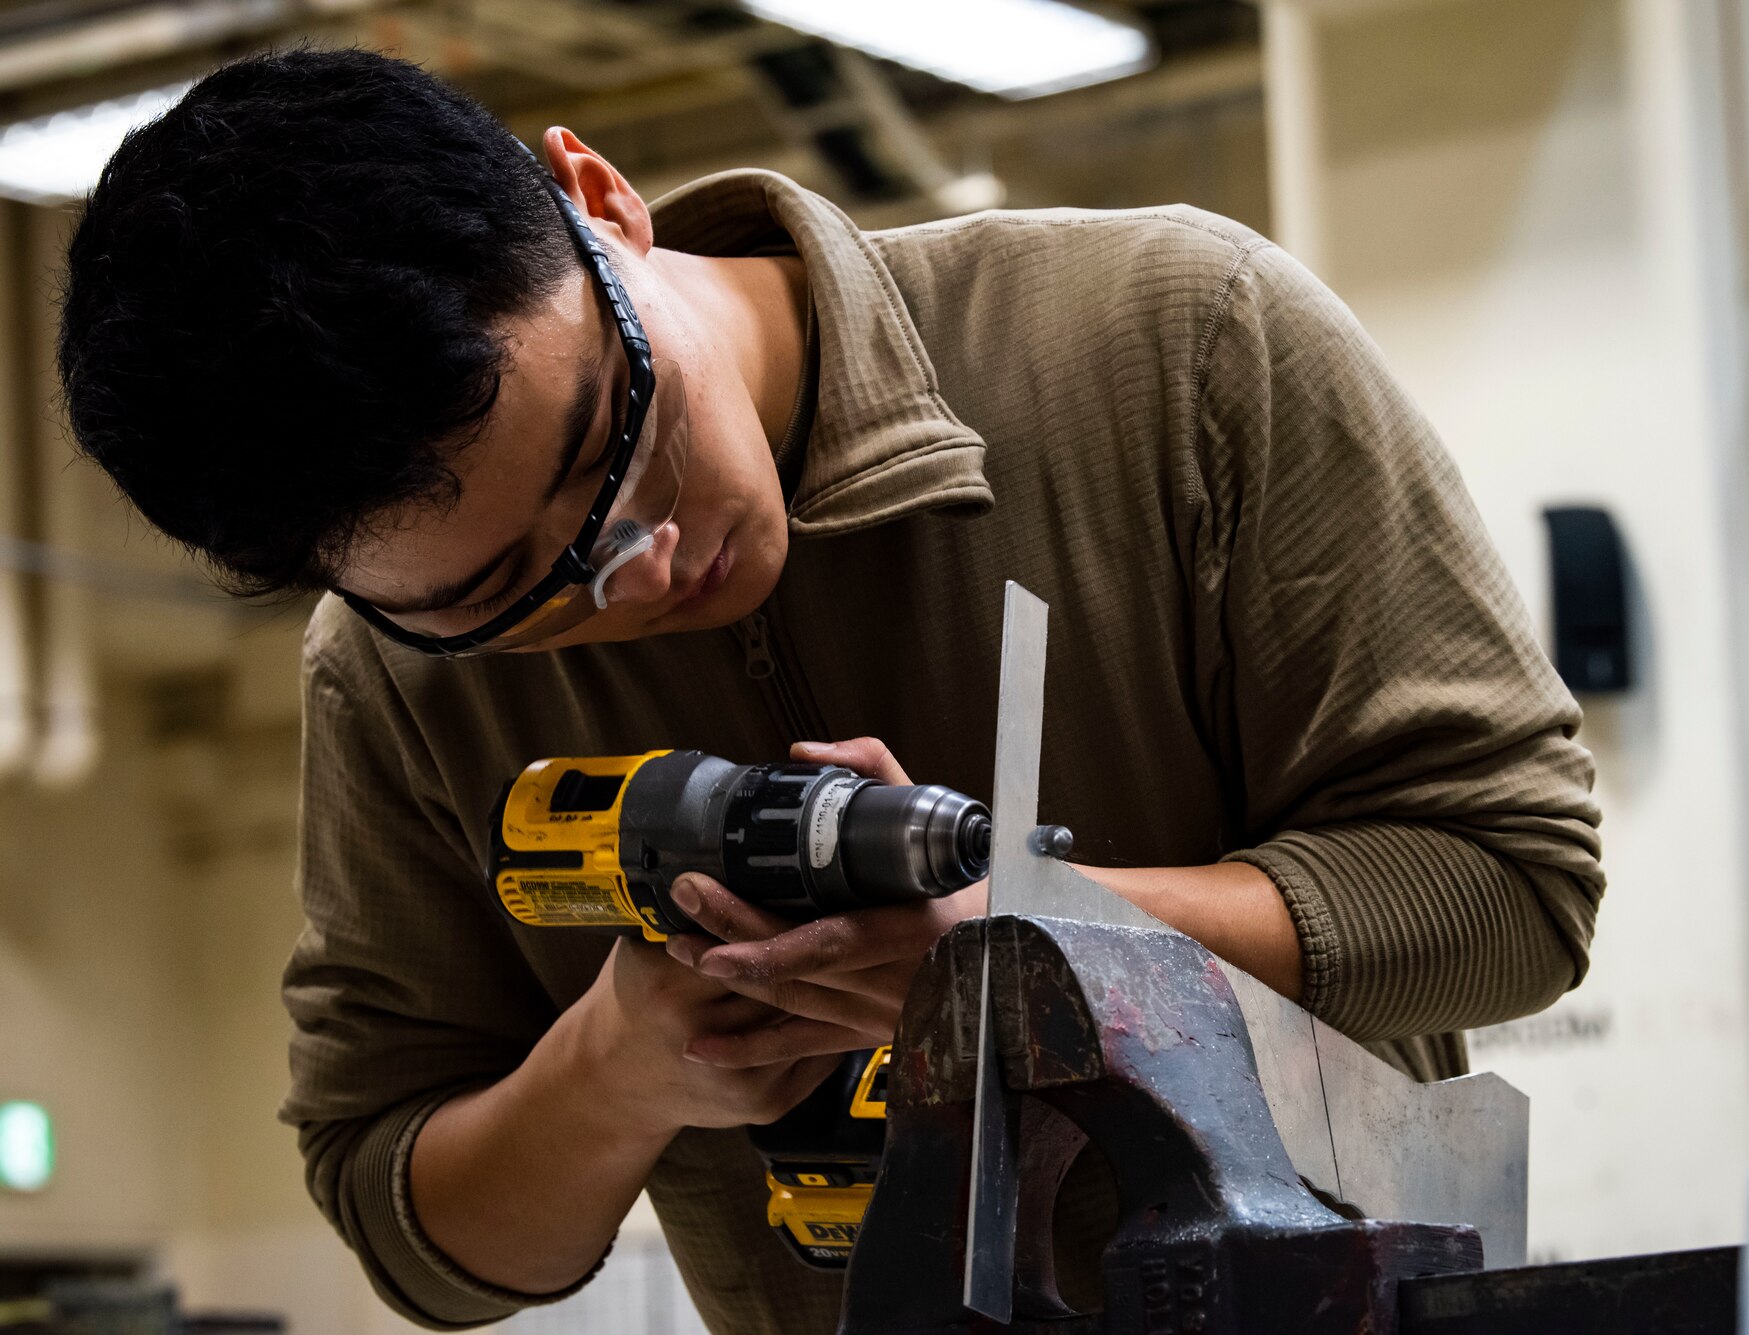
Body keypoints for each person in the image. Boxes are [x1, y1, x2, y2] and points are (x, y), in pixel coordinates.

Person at [58, 46, 1604, 1334]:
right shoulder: (389, 685)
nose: (640, 565)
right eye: (503, 593)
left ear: (603, 207)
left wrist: (1053, 948)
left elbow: (1512, 889)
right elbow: (417, 1232)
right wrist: (620, 1070)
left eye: (615, 441)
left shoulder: (1175, 345)